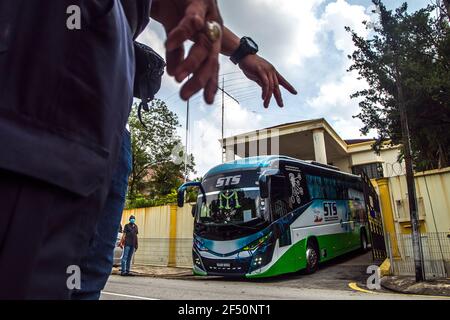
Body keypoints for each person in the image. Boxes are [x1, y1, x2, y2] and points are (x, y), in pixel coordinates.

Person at [73, 0, 298, 300]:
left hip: (107, 130)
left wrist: (243, 53)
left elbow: (179, 13)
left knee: (85, 279)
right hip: (47, 114)